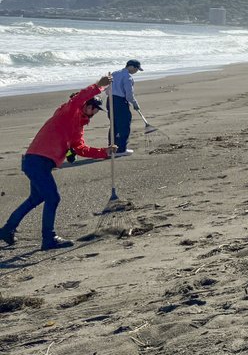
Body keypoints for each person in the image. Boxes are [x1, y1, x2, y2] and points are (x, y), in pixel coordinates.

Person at [0, 76, 117, 251]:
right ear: (87, 105)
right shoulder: (68, 111)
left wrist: (104, 152)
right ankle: (49, 238)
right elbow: (77, 99)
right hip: (37, 160)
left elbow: (79, 148)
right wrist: (99, 86)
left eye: (96, 110)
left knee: (36, 198)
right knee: (53, 198)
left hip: (40, 163)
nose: (94, 112)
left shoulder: (79, 126)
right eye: (93, 108)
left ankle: (7, 230)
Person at [110, 59, 142, 153]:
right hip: (120, 101)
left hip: (110, 101)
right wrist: (135, 104)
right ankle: (121, 150)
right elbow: (129, 95)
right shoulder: (128, 77)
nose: (136, 71)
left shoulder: (114, 73)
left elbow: (106, 87)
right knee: (124, 125)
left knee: (114, 125)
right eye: (136, 69)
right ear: (131, 66)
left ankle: (111, 149)